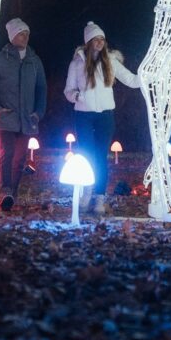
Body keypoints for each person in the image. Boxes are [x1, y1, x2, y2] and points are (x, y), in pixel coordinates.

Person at [64, 21, 140, 215]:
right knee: (87, 156)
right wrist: (79, 97)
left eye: (102, 39)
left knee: (101, 157)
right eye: (95, 39)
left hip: (105, 116)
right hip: (83, 116)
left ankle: (99, 197)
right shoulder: (77, 63)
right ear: (88, 42)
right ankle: (87, 192)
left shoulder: (111, 62)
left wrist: (149, 77)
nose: (99, 42)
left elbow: (131, 80)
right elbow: (68, 90)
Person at [0, 18, 47, 211]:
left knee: (20, 157)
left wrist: (39, 112)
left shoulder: (34, 61)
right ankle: (6, 191)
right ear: (12, 37)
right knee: (6, 154)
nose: (25, 37)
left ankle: (13, 193)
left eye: (26, 33)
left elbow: (42, 88)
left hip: (27, 118)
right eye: (21, 33)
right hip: (6, 117)